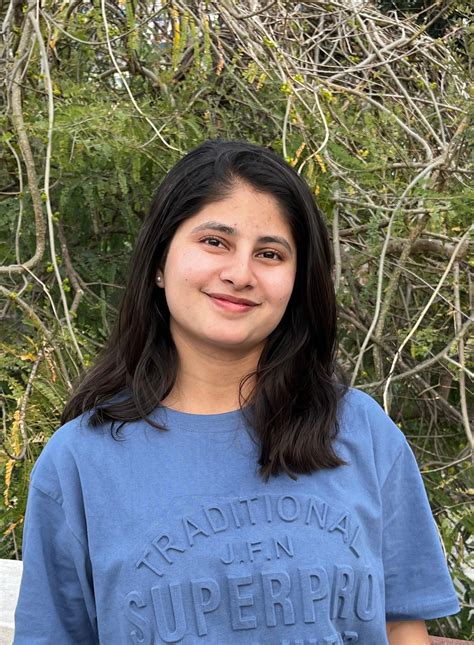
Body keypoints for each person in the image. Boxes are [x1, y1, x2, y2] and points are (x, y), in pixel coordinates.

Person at [14, 139, 459, 644]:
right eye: (215, 242)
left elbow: (402, 627)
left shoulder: (362, 432)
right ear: (159, 262)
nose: (240, 274)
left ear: (296, 282)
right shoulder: (78, 462)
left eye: (269, 254)